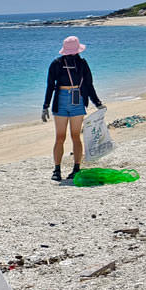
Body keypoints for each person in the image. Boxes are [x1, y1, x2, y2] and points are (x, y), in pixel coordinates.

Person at [42, 35, 104, 181]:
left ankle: (58, 170)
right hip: (76, 99)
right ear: (77, 50)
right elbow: (89, 85)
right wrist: (97, 102)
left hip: (63, 100)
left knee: (61, 137)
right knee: (73, 136)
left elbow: (50, 86)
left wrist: (45, 106)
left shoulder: (56, 63)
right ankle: (72, 168)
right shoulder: (81, 63)